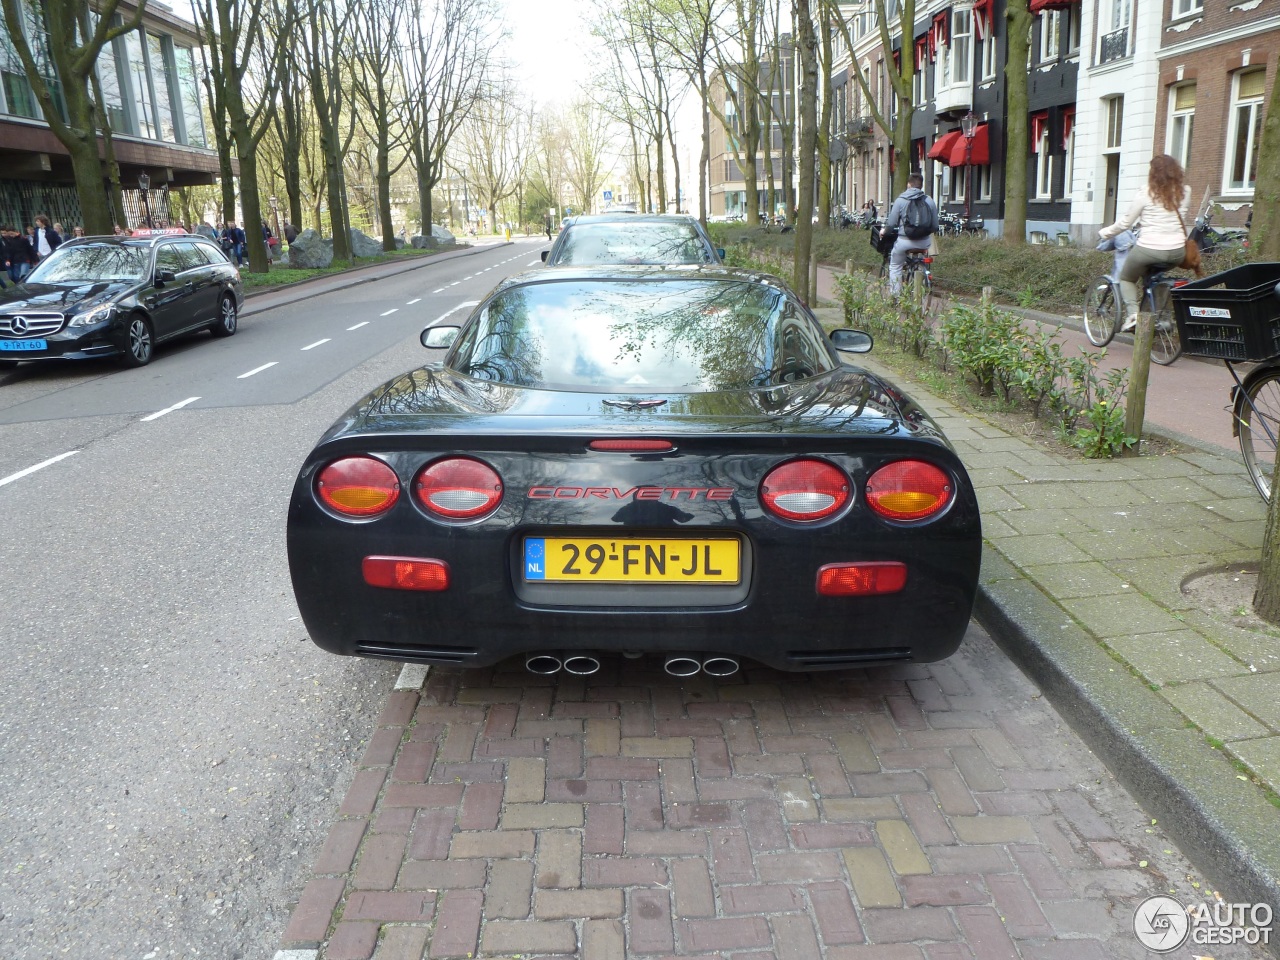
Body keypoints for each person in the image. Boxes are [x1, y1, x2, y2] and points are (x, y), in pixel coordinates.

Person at [1098, 154, 1192, 332]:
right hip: (1177, 252)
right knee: (1156, 278)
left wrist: (1105, 232)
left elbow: (1126, 223)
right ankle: (1159, 317)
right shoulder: (1185, 191)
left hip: (1149, 249)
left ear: (1153, 173)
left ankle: (1134, 316)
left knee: (1127, 278)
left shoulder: (1146, 193)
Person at [880, 173, 937, 295]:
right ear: (921, 186)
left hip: (904, 241)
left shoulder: (900, 200)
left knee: (895, 265)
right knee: (921, 256)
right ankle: (921, 274)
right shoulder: (929, 200)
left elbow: (891, 224)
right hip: (925, 243)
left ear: (908, 184)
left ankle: (895, 297)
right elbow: (935, 226)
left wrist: (884, 232)